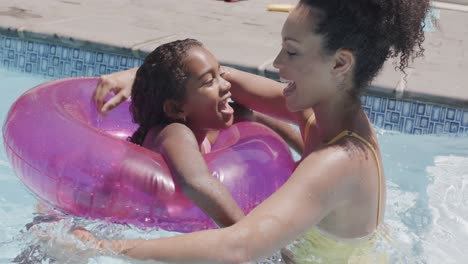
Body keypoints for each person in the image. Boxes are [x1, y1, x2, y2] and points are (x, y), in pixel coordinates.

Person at [74, 0, 430, 262]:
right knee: (246, 112)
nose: (276, 63)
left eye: (291, 52)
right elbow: (217, 77)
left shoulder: (337, 161)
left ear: (339, 63)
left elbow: (240, 247)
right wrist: (137, 77)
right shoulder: (332, 118)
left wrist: (103, 248)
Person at [116, 38, 302, 229]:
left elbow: (253, 115)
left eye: (220, 74)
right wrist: (247, 234)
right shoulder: (173, 133)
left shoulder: (203, 131)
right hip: (139, 226)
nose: (226, 85)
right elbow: (196, 182)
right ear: (176, 108)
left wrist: (307, 156)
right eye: (209, 81)